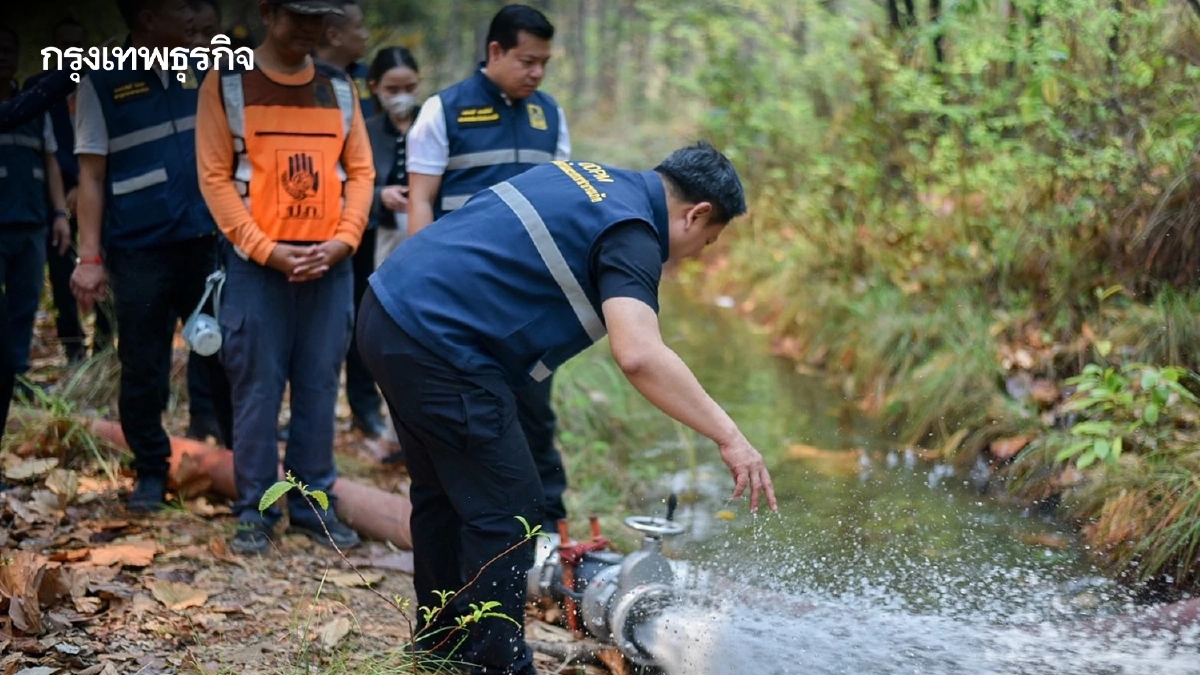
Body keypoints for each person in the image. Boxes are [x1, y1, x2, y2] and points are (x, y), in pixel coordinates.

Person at [359, 142, 777, 674]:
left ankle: (440, 648)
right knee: (509, 509)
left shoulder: (588, 177)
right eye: (707, 240)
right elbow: (639, 354)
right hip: (441, 344)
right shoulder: (632, 231)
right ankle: (497, 665)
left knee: (442, 493)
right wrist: (730, 437)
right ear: (695, 214)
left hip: (388, 310)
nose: (695, 254)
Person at [195, 0, 375, 555]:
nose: (309, 28)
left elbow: (361, 171)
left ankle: (313, 507)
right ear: (268, 12)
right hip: (258, 270)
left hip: (329, 267)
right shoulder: (228, 83)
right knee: (256, 391)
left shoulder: (337, 86)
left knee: (320, 388)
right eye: (298, 15)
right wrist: (265, 250)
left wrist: (345, 240)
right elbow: (214, 176)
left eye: (319, 18)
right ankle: (255, 510)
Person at [406, 3, 572, 530]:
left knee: (535, 412)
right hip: (461, 296)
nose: (537, 73)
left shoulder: (550, 115)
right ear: (495, 51)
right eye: (527, 61)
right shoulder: (444, 110)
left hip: (530, 300)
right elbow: (420, 200)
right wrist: (421, 281)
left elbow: (562, 202)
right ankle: (473, 519)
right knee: (466, 409)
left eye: (544, 62)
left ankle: (548, 526)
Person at [70, 0, 234, 513]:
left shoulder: (204, 70)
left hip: (205, 241)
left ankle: (243, 465)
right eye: (178, 7)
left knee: (226, 354)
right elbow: (91, 174)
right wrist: (89, 258)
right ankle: (150, 470)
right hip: (139, 249)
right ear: (146, 17)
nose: (189, 17)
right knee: (143, 362)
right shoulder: (102, 81)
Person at [25, 18, 115, 366]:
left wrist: (85, 186)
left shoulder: (102, 83)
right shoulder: (38, 88)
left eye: (78, 45)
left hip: (98, 192)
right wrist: (67, 193)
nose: (72, 51)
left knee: (105, 268)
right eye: (64, 45)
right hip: (56, 198)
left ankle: (104, 350)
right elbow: (44, 145)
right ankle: (73, 351)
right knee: (62, 275)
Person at [314, 0, 380, 439]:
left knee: (362, 315)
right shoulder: (300, 79)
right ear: (334, 34)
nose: (366, 35)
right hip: (311, 229)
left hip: (363, 223)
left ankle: (363, 406)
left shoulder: (366, 81)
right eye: (359, 27)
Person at [0, 27, 71, 390]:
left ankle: (18, 376)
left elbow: (50, 159)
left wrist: (59, 214)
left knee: (25, 302)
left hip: (31, 220)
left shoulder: (33, 107)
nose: (4, 57)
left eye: (9, 50)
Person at [365, 46, 420, 269]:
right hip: (381, 233)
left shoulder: (433, 122)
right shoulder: (367, 130)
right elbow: (349, 184)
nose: (402, 96)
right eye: (392, 90)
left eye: (410, 88)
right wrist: (380, 196)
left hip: (429, 226)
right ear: (375, 87)